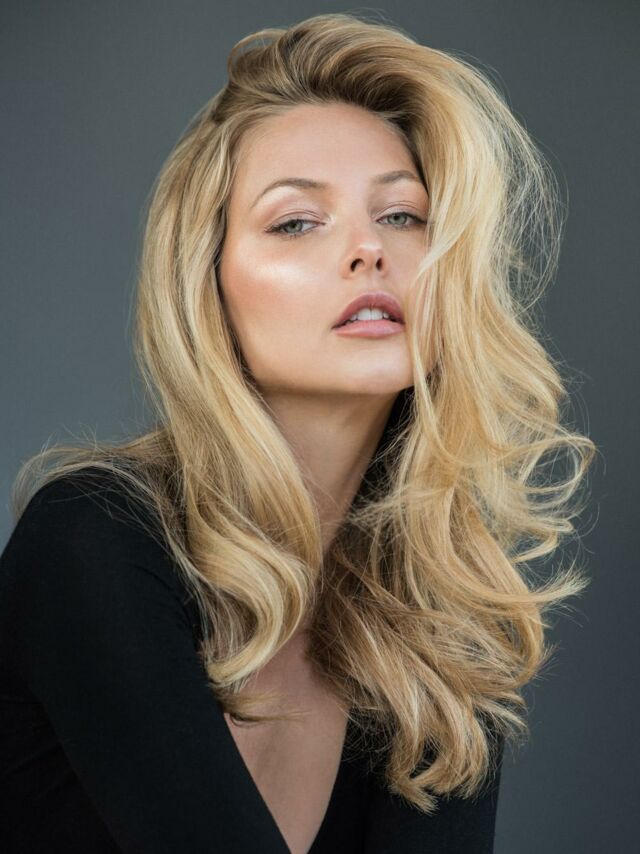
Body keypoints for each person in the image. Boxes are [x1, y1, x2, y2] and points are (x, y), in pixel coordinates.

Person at [0, 11, 596, 854]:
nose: (367, 250)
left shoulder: (444, 616)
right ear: (207, 283)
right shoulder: (96, 538)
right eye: (296, 222)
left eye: (403, 215)